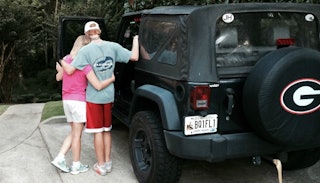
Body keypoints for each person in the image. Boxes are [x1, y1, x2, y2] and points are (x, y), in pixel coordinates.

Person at [61, 21, 139, 176]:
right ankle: (108, 162)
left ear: (87, 34)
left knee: (98, 132)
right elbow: (134, 56)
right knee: (107, 130)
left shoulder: (85, 51)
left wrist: (61, 60)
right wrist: (136, 39)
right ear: (99, 31)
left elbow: (69, 70)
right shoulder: (113, 46)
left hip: (94, 97)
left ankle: (101, 166)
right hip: (108, 96)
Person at [52, 35, 116, 175]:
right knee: (77, 135)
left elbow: (59, 77)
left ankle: (62, 158)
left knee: (74, 133)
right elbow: (98, 85)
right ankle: (74, 164)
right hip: (79, 101)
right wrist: (111, 78)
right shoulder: (86, 65)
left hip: (66, 101)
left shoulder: (67, 59)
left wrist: (59, 69)